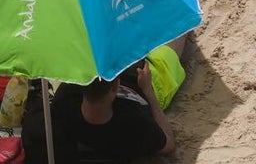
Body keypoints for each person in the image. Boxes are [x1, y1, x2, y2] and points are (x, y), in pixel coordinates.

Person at [21, 35, 189, 163]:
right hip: (145, 82)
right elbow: (168, 144)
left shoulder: (66, 99)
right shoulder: (134, 123)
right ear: (116, 87)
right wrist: (148, 90)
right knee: (177, 30)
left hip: (125, 70)